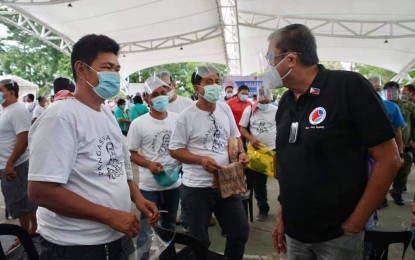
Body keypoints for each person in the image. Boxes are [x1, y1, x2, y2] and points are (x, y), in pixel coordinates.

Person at [265, 24, 402, 259]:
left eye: (270, 57)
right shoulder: (286, 102)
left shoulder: (348, 87)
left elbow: (389, 160)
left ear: (290, 59)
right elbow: (291, 164)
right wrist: (283, 214)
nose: (268, 64)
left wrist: (355, 223)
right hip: (296, 232)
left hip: (338, 235)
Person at [28, 34, 159, 260]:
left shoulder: (105, 113)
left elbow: (118, 163)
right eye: (107, 67)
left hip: (114, 237)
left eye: (117, 69)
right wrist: (108, 215)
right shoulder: (61, 117)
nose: (115, 75)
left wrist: (136, 197)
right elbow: (41, 191)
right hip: (76, 247)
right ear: (81, 70)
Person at [169, 64, 250, 259]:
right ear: (197, 89)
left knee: (240, 231)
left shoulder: (224, 108)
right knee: (199, 240)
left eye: (216, 81)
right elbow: (174, 150)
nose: (215, 86)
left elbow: (235, 136)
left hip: (226, 183)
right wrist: (200, 160)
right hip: (197, 188)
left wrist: (241, 153)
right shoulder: (186, 117)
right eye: (208, 82)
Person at [127, 76, 181, 259]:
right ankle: (143, 257)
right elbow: (131, 153)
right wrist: (149, 164)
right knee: (147, 227)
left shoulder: (177, 120)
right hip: (150, 186)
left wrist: (181, 160)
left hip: (173, 184)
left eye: (163, 93)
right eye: (155, 94)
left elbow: (183, 147)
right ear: (147, 98)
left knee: (170, 225)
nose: (160, 97)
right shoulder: (139, 124)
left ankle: (167, 256)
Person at [0, 79, 38, 239]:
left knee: (21, 202)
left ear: (11, 92)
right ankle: (29, 230)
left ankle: (26, 234)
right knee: (20, 201)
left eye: (0, 90)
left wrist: (10, 164)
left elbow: (23, 138)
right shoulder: (6, 111)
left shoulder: (17, 110)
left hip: (16, 165)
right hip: (8, 164)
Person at [239, 86, 277, 222]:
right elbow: (242, 128)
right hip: (256, 153)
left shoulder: (276, 110)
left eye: (268, 102)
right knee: (257, 183)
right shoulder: (249, 110)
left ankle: (285, 208)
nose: (265, 105)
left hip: (272, 151)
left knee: (282, 180)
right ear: (257, 99)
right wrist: (251, 139)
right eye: (263, 102)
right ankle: (263, 208)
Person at [369, 77, 405, 209]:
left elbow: (398, 131)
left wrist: (400, 153)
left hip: (387, 149)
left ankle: (383, 197)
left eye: (379, 89)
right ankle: (378, 201)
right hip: (366, 151)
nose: (376, 92)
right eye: (374, 89)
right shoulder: (360, 105)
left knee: (384, 176)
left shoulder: (392, 107)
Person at [384, 81, 415, 204]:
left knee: (404, 170)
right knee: (384, 172)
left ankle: (397, 192)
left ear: (398, 91)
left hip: (405, 145)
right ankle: (382, 198)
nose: (391, 94)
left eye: (394, 91)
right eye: (389, 91)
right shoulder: (380, 105)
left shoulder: (408, 106)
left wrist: (413, 140)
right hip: (386, 145)